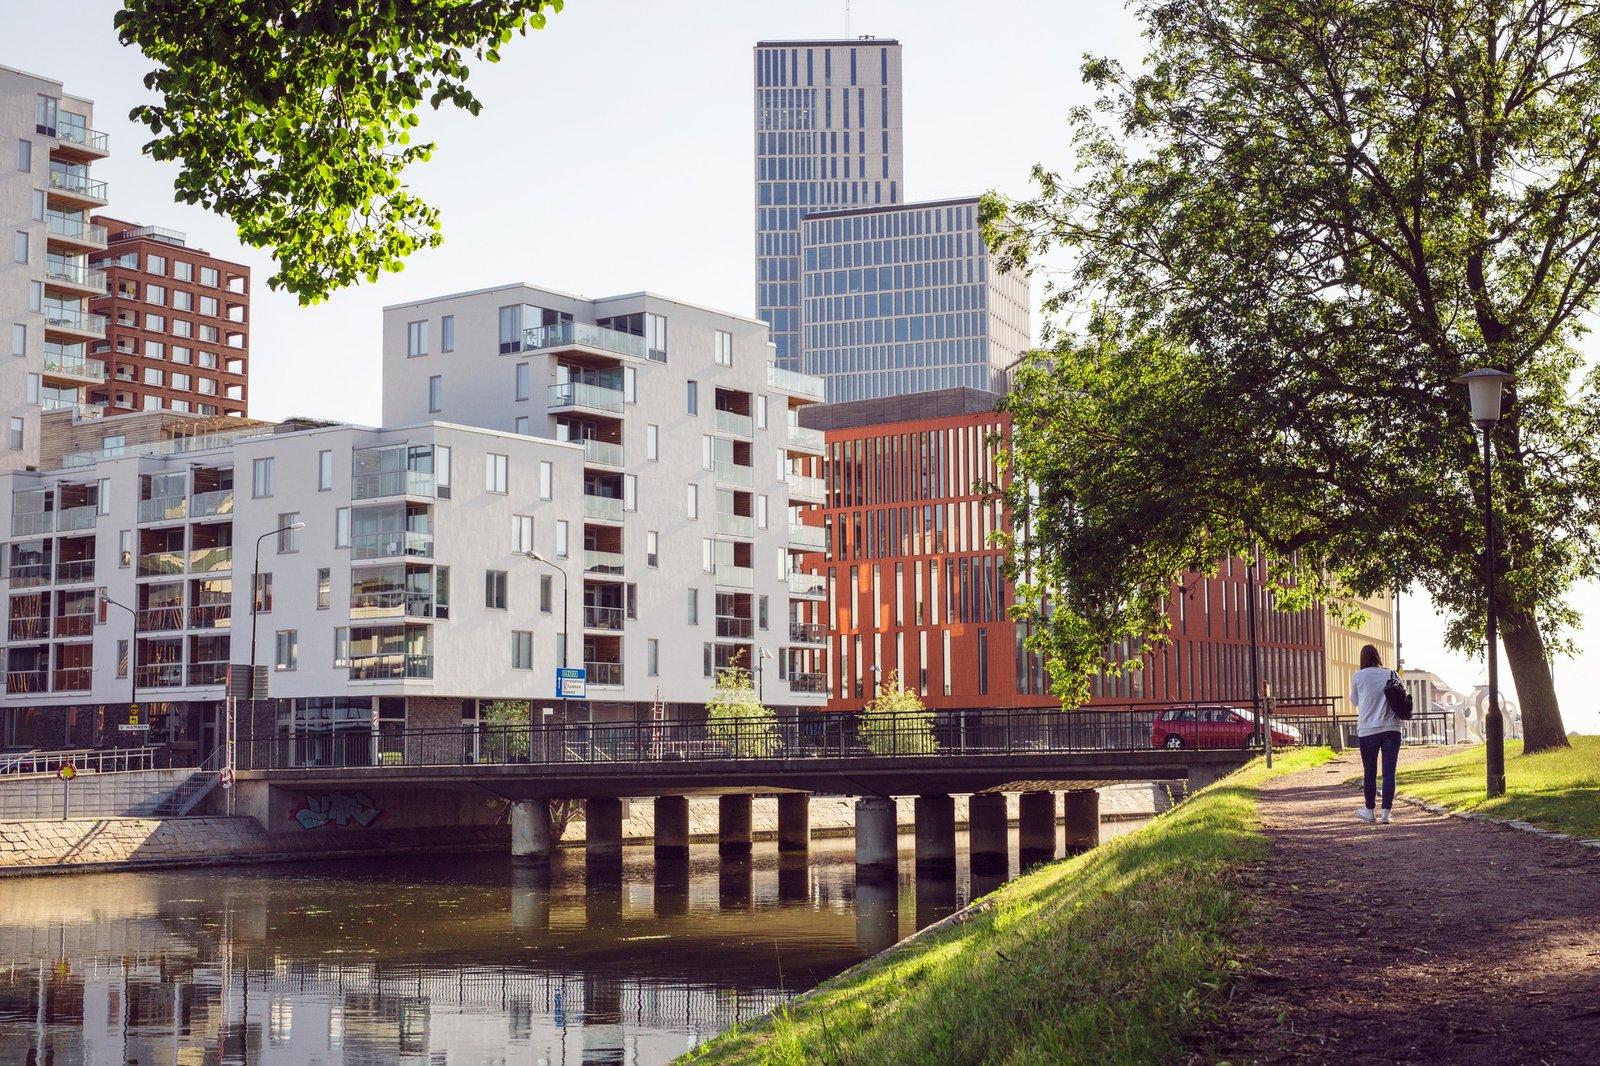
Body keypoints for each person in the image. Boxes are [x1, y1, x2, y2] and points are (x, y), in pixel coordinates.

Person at [1349, 643, 1404, 824]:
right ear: (1378, 657)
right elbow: (1403, 695)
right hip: (1391, 728)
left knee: (1369, 772)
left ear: (1362, 658)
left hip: (1368, 730)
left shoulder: (1358, 676)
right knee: (1389, 772)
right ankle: (1386, 814)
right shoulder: (1391, 674)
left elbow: (1355, 701)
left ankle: (1369, 810)